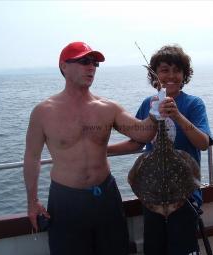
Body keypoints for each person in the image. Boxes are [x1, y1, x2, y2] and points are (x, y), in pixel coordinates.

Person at [23, 41, 158, 255]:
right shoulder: (43, 112)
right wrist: (32, 202)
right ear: (63, 66)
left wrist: (157, 112)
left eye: (95, 63)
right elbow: (32, 158)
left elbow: (143, 133)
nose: (91, 67)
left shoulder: (108, 108)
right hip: (65, 200)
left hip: (105, 197)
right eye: (84, 61)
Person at [108, 45, 211, 255]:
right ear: (156, 75)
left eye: (177, 70)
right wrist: (102, 150)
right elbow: (137, 142)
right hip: (152, 195)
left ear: (184, 75)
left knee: (182, 249)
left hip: (185, 194)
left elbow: (203, 143)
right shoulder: (149, 103)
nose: (171, 76)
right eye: (164, 70)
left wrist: (177, 116)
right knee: (154, 249)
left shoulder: (193, 104)